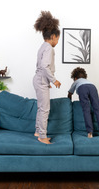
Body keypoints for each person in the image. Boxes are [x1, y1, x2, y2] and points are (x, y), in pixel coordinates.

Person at [33, 11, 61, 144]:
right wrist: (53, 80)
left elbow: (39, 65)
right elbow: (44, 66)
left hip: (38, 79)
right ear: (54, 36)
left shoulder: (42, 46)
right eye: (57, 39)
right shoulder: (49, 47)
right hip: (41, 79)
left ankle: (38, 130)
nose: (57, 42)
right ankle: (42, 136)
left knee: (41, 107)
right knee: (45, 109)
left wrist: (46, 80)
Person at [68, 67, 99, 138]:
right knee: (97, 110)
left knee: (86, 110)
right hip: (93, 88)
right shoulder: (89, 81)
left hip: (82, 88)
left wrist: (69, 101)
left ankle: (90, 132)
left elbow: (70, 93)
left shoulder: (76, 81)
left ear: (75, 78)